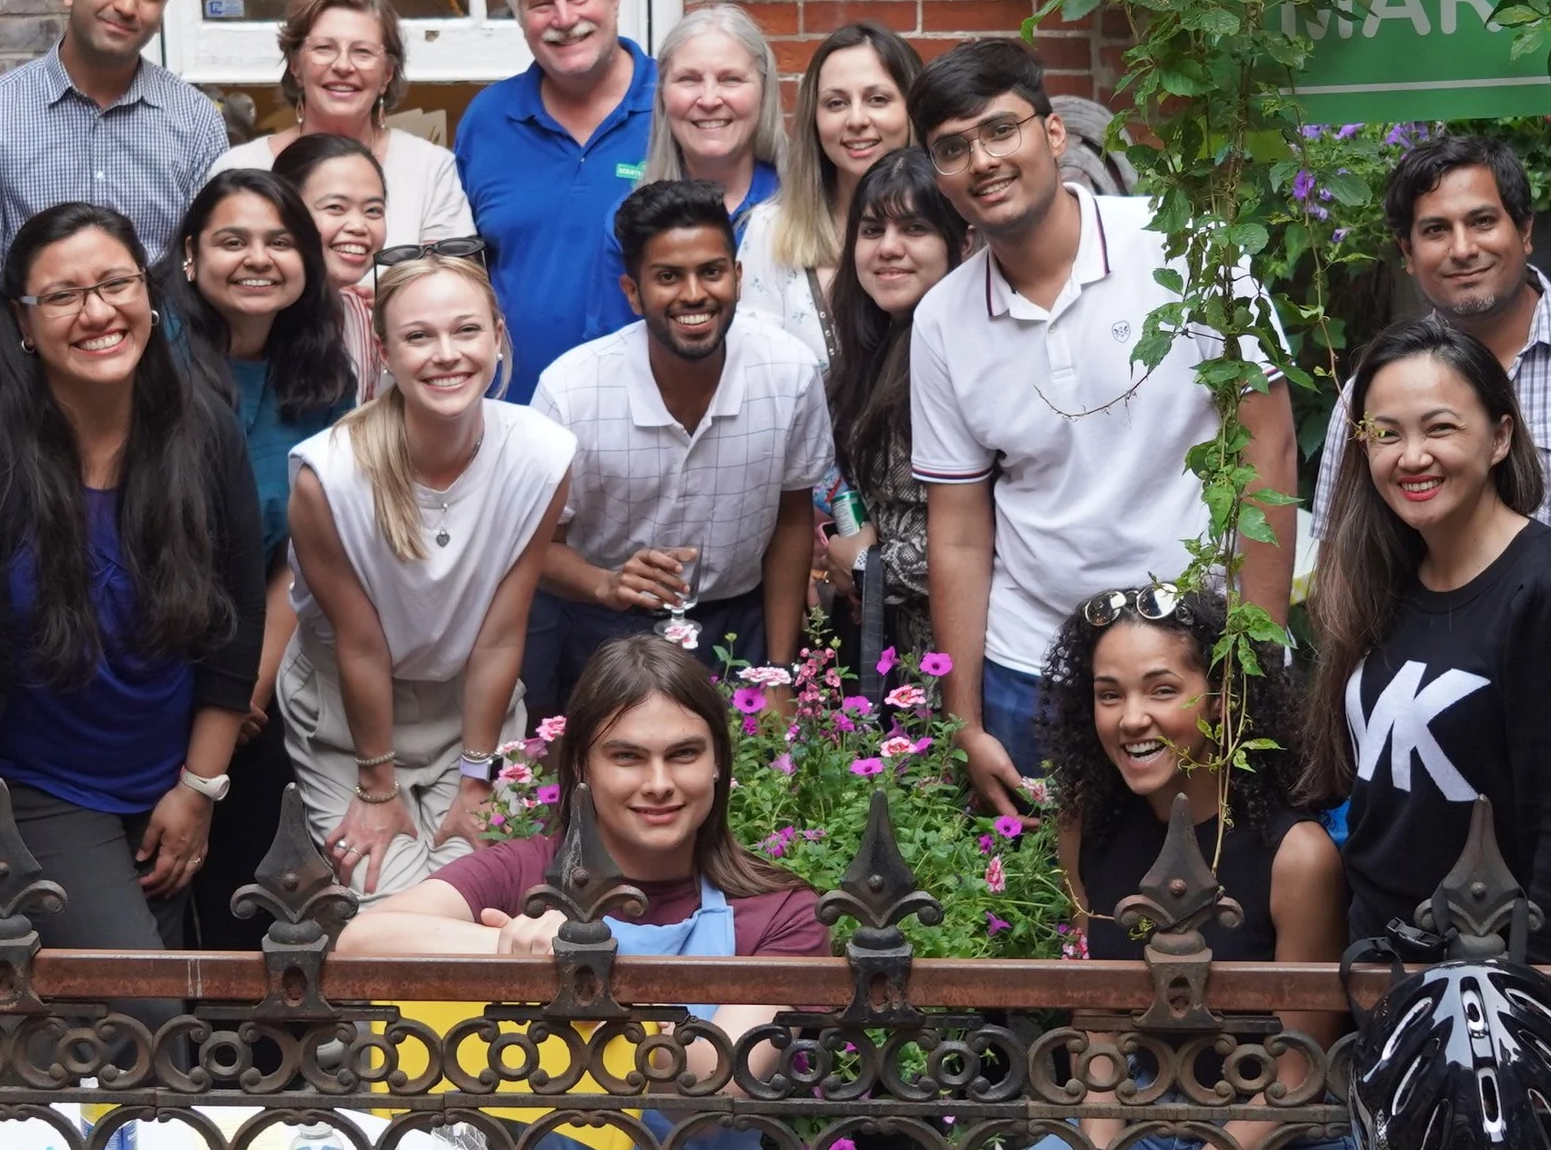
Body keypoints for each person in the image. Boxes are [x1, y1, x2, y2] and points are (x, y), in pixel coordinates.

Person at [336, 634, 825, 1150]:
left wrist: (600, 975)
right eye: (627, 756)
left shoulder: (778, 908)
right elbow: (361, 943)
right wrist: (522, 953)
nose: (659, 782)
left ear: (716, 763)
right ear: (583, 769)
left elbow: (710, 1094)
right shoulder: (524, 869)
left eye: (683, 754)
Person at [0, 203, 261, 977]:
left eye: (116, 283)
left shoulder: (202, 429)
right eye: (62, 295)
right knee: (147, 1012)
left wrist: (197, 790)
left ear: (150, 295)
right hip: (26, 787)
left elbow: (235, 622)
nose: (97, 312)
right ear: (21, 320)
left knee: (123, 1033)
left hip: (165, 779)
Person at [907, 40, 1295, 810]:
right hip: (1036, 663)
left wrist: (1258, 652)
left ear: (1053, 135)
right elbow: (955, 529)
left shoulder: (1187, 247)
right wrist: (963, 717)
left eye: (999, 131)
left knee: (1217, 892)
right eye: (953, 148)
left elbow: (1269, 444)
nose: (981, 160)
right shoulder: (943, 320)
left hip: (1194, 648)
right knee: (1050, 905)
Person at [951, 582, 1362, 1150]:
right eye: (1109, 693)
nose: (1131, 717)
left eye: (1161, 688)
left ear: (1223, 698)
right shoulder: (1087, 826)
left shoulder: (1297, 856)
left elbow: (1296, 1082)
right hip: (1143, 1109)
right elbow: (1102, 1027)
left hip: (1288, 1142)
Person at [1305, 319, 1551, 965]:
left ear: (1501, 436)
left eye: (1440, 427)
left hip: (1489, 987)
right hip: (1379, 970)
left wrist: (1540, 1001)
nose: (1411, 455)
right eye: (1386, 434)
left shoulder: (1550, 591)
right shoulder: (1386, 579)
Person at [281, 254, 572, 897]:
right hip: (348, 717)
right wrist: (375, 788)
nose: (447, 354)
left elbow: (500, 634)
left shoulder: (542, 454)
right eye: (419, 336)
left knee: (478, 898)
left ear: (497, 334)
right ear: (384, 351)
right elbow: (361, 644)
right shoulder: (327, 476)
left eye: (466, 330)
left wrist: (476, 778)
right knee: (395, 908)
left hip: (473, 711)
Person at [529, 181, 835, 711]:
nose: (693, 294)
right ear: (632, 291)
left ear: (738, 278)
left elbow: (792, 520)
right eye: (668, 277)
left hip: (740, 623)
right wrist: (606, 584)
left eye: (711, 272)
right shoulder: (571, 391)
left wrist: (780, 671)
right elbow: (533, 549)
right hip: (604, 628)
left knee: (753, 784)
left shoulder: (790, 373)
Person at [173, 170, 357, 945]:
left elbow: (300, 552)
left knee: (249, 867)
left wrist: (249, 678)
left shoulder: (322, 378)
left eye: (280, 242)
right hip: (150, 640)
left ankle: (239, 1044)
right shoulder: (153, 358)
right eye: (232, 240)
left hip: (258, 647)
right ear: (189, 257)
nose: (258, 258)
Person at [1309, 133, 1551, 535]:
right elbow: (1342, 561)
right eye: (1436, 230)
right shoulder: (1372, 395)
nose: (1462, 249)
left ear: (1525, 231)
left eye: (1482, 222)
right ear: (1407, 253)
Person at [0, 0, 228, 351]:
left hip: (162, 381)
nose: (128, 6)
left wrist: (167, 372)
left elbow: (203, 266)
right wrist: (28, 373)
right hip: (29, 389)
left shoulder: (196, 121)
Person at [454, 0, 656, 401]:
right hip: (518, 415)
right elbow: (460, 268)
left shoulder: (679, 103)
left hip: (660, 413)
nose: (565, 19)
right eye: (541, 4)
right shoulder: (488, 121)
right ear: (520, 17)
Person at [823, 148, 969, 657]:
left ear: (959, 242)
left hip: (964, 651)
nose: (888, 248)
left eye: (913, 229)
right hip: (888, 647)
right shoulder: (860, 360)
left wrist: (868, 567)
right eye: (871, 230)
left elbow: (986, 532)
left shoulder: (975, 357)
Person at [211, 0, 474, 242]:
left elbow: (450, 276)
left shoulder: (431, 170)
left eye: (363, 52)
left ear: (387, 75)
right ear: (295, 67)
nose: (343, 65)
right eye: (324, 48)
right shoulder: (241, 169)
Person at [740, 20, 922, 368]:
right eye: (836, 103)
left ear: (912, 109)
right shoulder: (771, 230)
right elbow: (757, 375)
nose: (856, 119)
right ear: (815, 119)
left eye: (878, 99)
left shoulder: (957, 223)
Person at [635, 3, 786, 235]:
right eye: (689, 79)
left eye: (730, 79)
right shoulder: (635, 222)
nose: (709, 100)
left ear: (764, 92)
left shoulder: (809, 207)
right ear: (662, 94)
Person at [273, 133, 385, 391]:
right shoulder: (252, 315)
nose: (359, 226)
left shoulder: (364, 318)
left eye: (373, 211)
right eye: (335, 207)